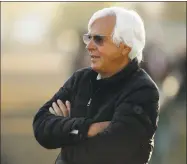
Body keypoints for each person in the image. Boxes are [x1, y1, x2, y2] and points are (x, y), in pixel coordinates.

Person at [33, 7, 160, 164]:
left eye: (99, 39)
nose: (89, 46)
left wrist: (66, 131)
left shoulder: (143, 89)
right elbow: (41, 126)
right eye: (89, 38)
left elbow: (116, 151)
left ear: (124, 47)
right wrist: (87, 128)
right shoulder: (81, 79)